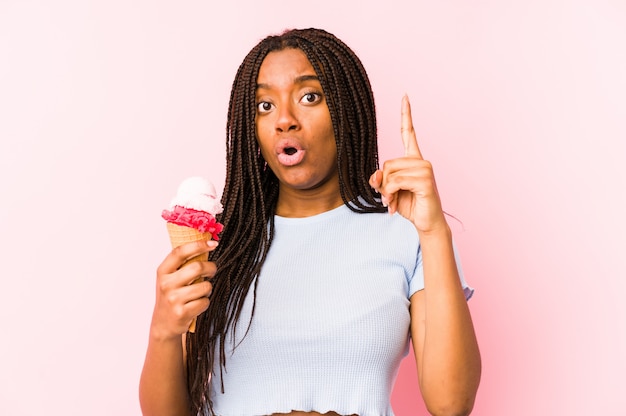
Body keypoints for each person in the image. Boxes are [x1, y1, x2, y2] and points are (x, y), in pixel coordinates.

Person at [139, 28, 481, 416]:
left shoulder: (409, 229)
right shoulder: (219, 244)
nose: (284, 119)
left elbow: (452, 404)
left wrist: (435, 232)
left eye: (309, 97)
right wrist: (164, 330)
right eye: (264, 105)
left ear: (346, 109)